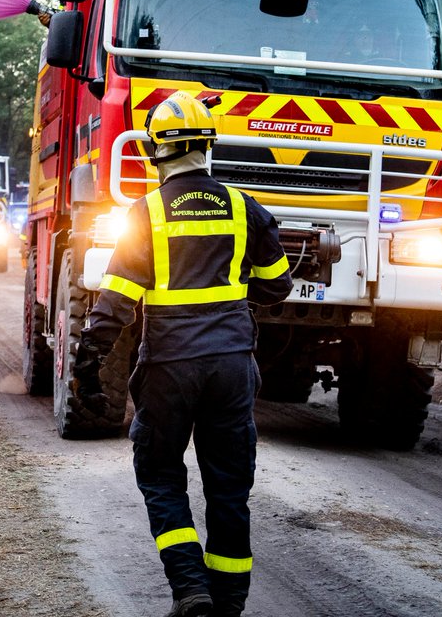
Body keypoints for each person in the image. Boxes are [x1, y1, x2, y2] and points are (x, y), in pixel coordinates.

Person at [76, 91, 293, 617]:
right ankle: (229, 603)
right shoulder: (244, 208)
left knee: (159, 474)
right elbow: (277, 285)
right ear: (208, 146)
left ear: (157, 151)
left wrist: (89, 362)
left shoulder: (146, 213)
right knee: (228, 484)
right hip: (232, 366)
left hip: (169, 366)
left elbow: (116, 303)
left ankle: (191, 590)